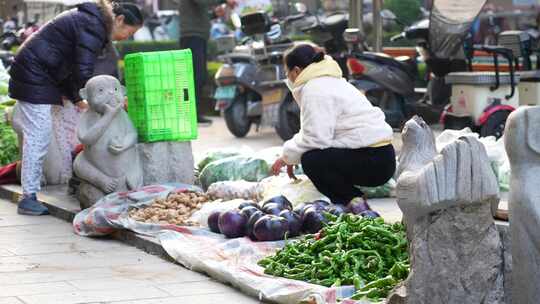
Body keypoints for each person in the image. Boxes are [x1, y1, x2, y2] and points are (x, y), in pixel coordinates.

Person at [8, 0, 143, 216]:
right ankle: (28, 197)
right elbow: (83, 71)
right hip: (34, 75)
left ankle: (29, 195)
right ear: (119, 20)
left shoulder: (91, 21)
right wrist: (101, 97)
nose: (128, 37)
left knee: (40, 135)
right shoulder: (93, 25)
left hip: (39, 73)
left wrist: (77, 98)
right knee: (39, 135)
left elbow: (69, 66)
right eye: (130, 31)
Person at [271, 44, 396, 208]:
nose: (288, 78)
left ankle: (355, 204)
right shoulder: (329, 81)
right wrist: (290, 155)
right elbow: (313, 133)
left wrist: (287, 156)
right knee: (314, 156)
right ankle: (353, 203)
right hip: (381, 156)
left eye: (287, 73)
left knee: (312, 160)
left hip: (373, 160)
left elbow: (315, 139)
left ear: (296, 71)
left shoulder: (314, 88)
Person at [178, 0, 236, 125]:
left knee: (197, 76)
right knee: (195, 76)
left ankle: (193, 114)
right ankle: (192, 115)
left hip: (196, 36)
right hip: (192, 37)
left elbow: (200, 14)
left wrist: (214, 14)